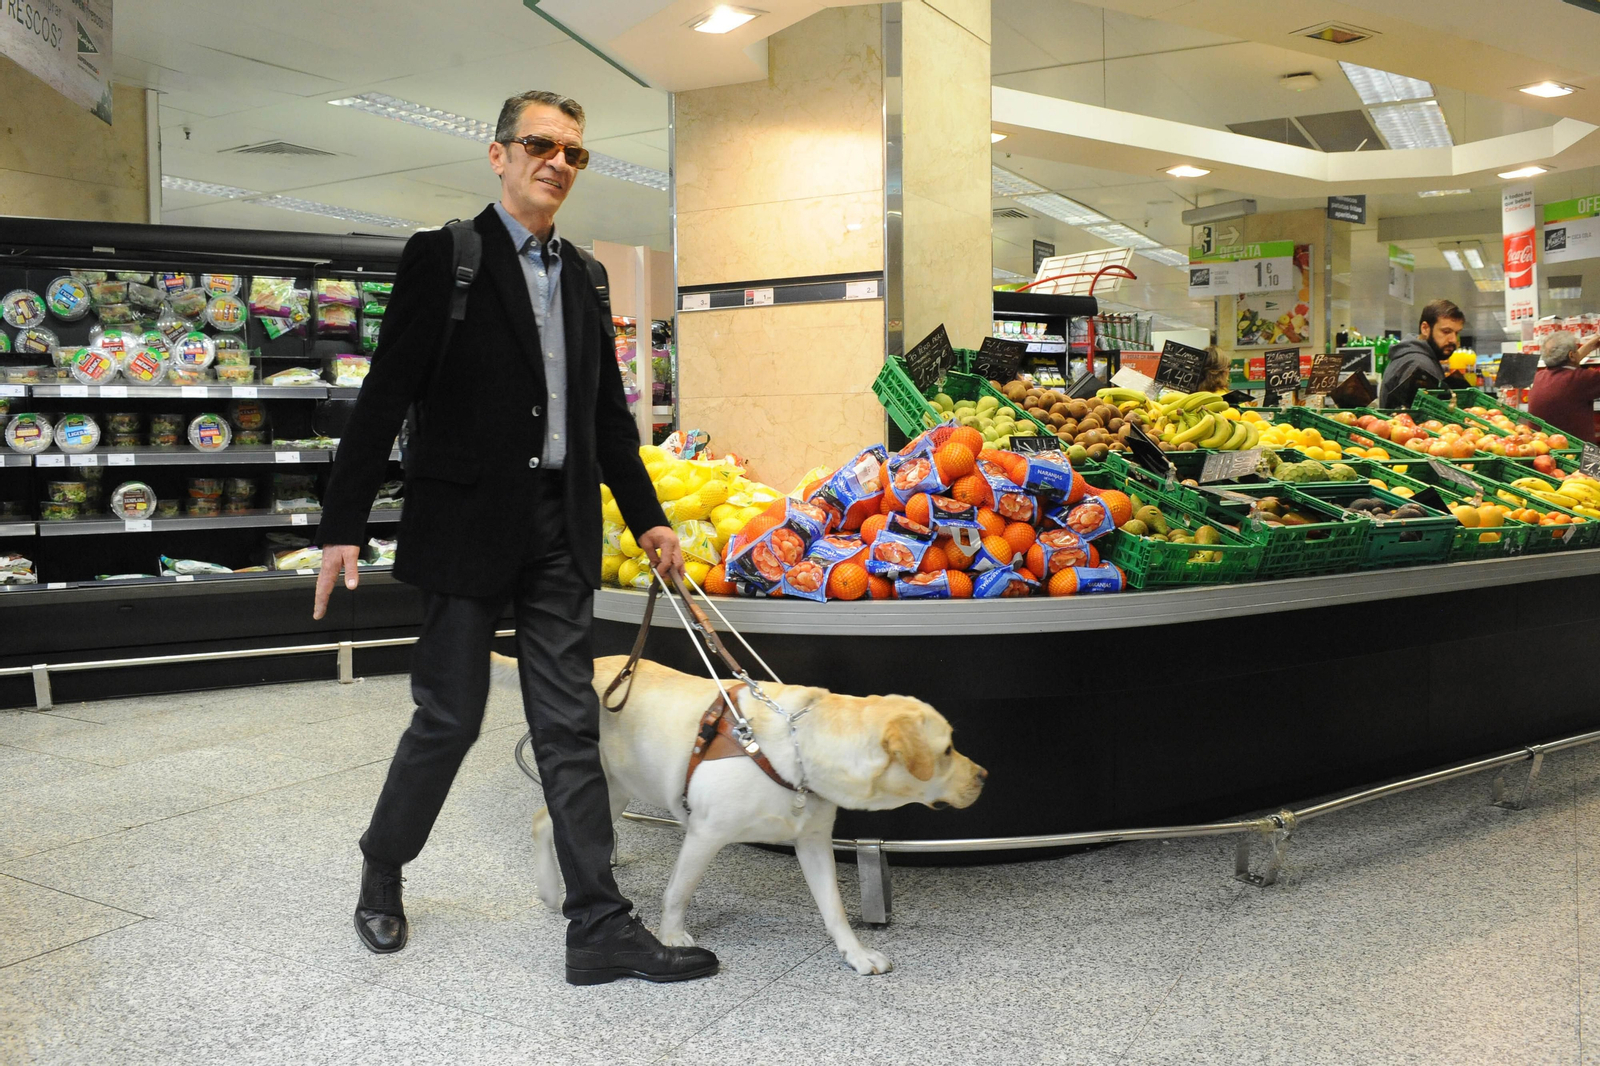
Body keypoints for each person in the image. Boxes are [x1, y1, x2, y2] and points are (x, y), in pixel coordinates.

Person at [311, 90, 719, 985]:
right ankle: (384, 867)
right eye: (541, 145)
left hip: (556, 527)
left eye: (574, 152)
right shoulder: (445, 257)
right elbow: (385, 394)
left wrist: (648, 517)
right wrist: (342, 525)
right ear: (498, 155)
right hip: (462, 526)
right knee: (449, 718)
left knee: (569, 726)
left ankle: (600, 927)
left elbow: (608, 416)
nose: (558, 163)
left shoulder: (584, 275)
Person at [1377, 299, 1466, 408]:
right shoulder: (1419, 365)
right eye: (1446, 332)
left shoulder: (1414, 356)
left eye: (1456, 333)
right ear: (1425, 328)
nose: (1453, 339)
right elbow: (1415, 418)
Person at [1528, 330, 1600, 444]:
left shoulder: (1538, 377)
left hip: (1543, 449)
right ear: (1571, 355)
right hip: (1577, 455)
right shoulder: (1581, 379)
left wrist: (1589, 347)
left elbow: (1567, 362)